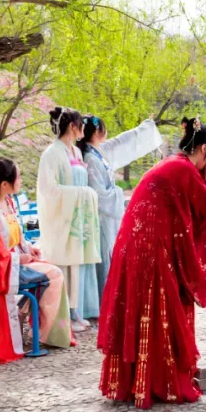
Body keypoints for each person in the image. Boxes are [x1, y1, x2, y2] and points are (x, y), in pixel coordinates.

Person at [97, 117, 206, 409]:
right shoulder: (184, 170)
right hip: (152, 250)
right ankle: (160, 382)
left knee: (143, 310)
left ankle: (134, 382)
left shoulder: (171, 163)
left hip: (133, 245)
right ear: (203, 149)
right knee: (162, 311)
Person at [0, 158, 73, 350]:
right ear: (5, 184)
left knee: (51, 269)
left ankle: (26, 314)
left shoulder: (7, 201)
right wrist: (19, 258)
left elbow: (17, 236)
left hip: (14, 259)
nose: (20, 180)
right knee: (55, 274)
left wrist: (28, 248)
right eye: (18, 177)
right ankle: (45, 332)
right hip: (5, 266)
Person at [79, 115, 163, 300]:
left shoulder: (96, 153)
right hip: (101, 217)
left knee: (111, 256)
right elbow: (99, 195)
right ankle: (104, 300)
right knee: (105, 258)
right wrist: (118, 193)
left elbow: (122, 141)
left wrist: (145, 126)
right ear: (97, 132)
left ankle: (110, 298)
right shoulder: (91, 159)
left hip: (108, 217)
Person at [37, 107, 101, 331]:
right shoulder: (52, 154)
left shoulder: (75, 152)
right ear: (72, 126)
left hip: (77, 216)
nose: (83, 127)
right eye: (80, 123)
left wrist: (82, 195)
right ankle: (63, 320)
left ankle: (77, 312)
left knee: (78, 266)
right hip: (62, 219)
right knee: (65, 268)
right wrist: (81, 193)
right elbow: (48, 190)